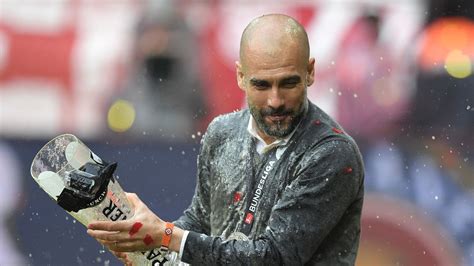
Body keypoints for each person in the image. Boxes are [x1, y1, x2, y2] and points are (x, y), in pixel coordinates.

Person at [87, 14, 365, 265]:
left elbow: (275, 258)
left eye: (288, 83)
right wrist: (145, 239)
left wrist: (167, 236)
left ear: (310, 72)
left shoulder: (332, 154)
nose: (275, 100)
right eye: (261, 84)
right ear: (241, 76)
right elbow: (200, 222)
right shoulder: (222, 132)